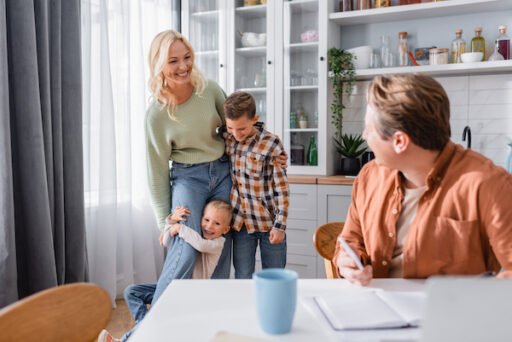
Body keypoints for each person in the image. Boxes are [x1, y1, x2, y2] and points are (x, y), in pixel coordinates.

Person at [334, 73, 512, 286]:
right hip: (374, 308)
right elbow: (349, 241)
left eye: (369, 129)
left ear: (399, 141)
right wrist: (347, 262)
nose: (364, 136)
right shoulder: (369, 176)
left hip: (451, 315)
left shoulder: (489, 184)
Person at [98, 200, 232, 342]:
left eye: (217, 223)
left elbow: (201, 244)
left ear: (225, 230)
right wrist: (171, 221)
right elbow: (167, 241)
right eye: (206, 219)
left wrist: (180, 229)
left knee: (156, 313)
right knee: (131, 291)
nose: (209, 226)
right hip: (172, 286)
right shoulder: (193, 234)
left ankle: (126, 339)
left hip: (187, 294)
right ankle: (148, 328)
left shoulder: (217, 243)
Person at [221, 91, 289, 278]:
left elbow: (281, 188)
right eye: (230, 128)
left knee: (274, 275)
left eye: (241, 128)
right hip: (241, 225)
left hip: (269, 223)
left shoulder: (271, 143)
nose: (236, 134)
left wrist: (280, 225)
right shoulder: (228, 139)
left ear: (255, 119)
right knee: (242, 275)